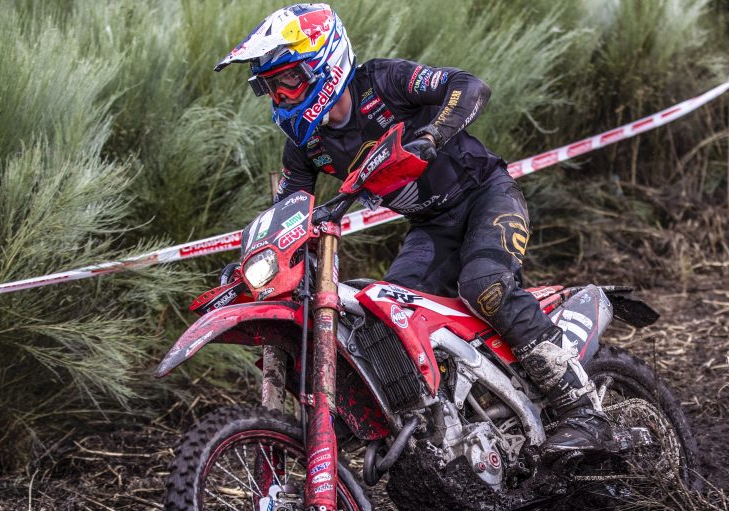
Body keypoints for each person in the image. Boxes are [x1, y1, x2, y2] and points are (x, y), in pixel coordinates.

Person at [216, 3, 610, 455]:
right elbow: (289, 213)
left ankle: (583, 412)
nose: (281, 97)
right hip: (432, 227)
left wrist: (433, 135)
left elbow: (469, 86)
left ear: (323, 61)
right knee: (384, 324)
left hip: (487, 195)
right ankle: (454, 431)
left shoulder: (382, 82)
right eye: (270, 88)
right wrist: (250, 266)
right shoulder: (305, 146)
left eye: (288, 80)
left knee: (485, 286)